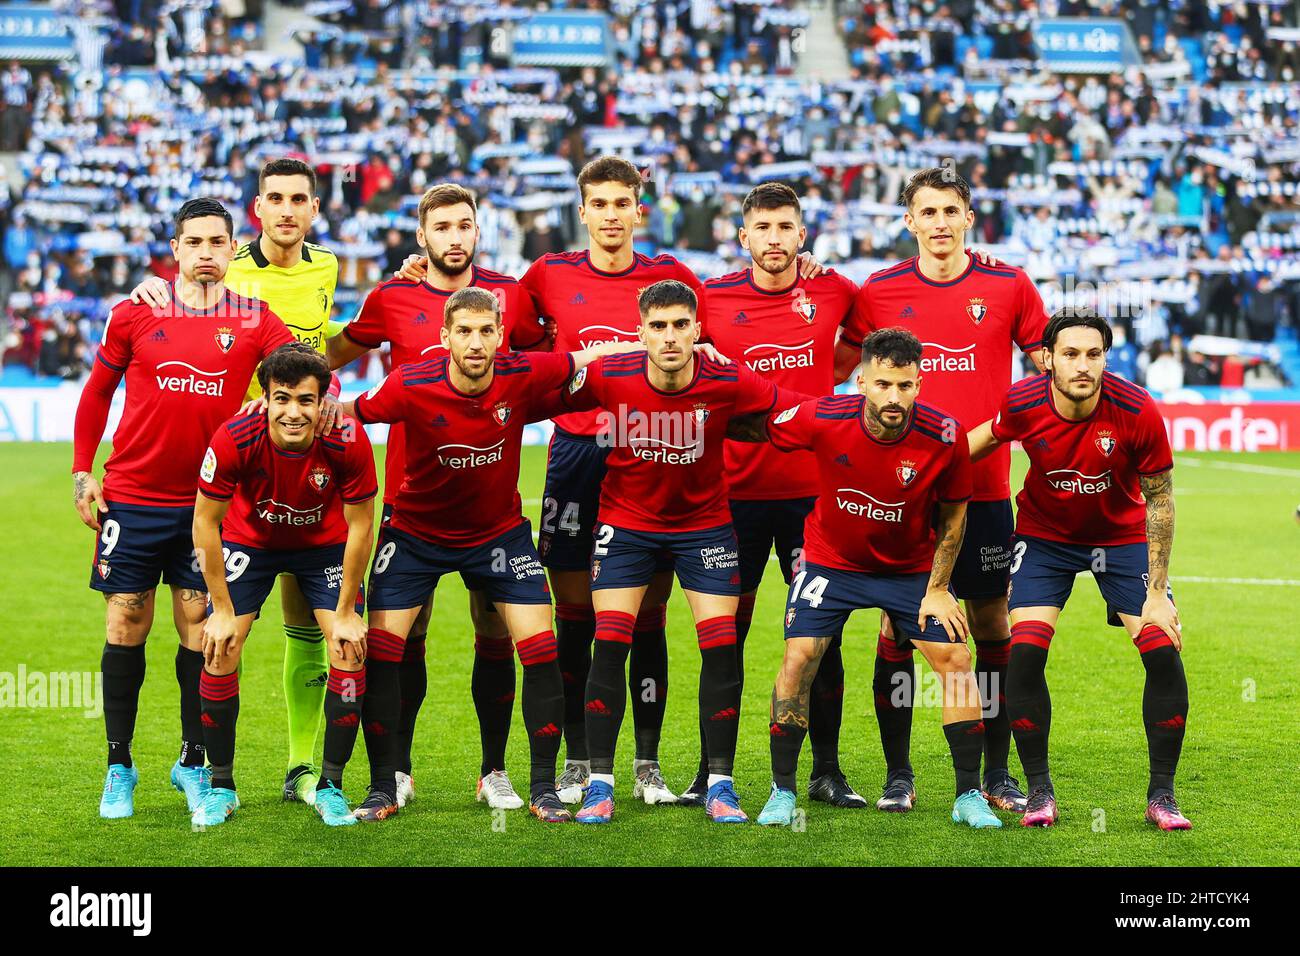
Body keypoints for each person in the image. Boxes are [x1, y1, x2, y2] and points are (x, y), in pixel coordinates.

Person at [341, 287, 637, 823]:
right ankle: (385, 783)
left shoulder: (522, 372)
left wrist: (679, 350)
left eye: (485, 331)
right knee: (383, 653)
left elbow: (590, 359)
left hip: (496, 535)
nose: (475, 343)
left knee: (540, 648)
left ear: (500, 336)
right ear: (444, 337)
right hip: (414, 533)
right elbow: (351, 412)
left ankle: (539, 786)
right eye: (465, 332)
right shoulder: (410, 383)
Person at [129, 158, 344, 808]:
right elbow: (185, 302)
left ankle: (302, 767)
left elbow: (320, 345)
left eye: (298, 199)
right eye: (274, 198)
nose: (286, 209)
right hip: (237, 469)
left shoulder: (327, 268)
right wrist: (153, 288)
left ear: (313, 209)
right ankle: (211, 772)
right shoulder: (226, 267)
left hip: (304, 463)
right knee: (222, 624)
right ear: (256, 209)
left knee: (309, 622)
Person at [326, 182, 548, 811]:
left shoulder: (511, 296)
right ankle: (394, 769)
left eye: (465, 225)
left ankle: (495, 770)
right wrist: (298, 369)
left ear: (478, 230)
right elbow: (342, 349)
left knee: (492, 626)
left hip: (491, 509)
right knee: (406, 632)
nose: (455, 237)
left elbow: (546, 360)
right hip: (410, 503)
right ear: (421, 237)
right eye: (442, 227)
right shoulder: (393, 294)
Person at [73, 198, 296, 819]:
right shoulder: (135, 313)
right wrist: (81, 473)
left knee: (201, 633)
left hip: (209, 507)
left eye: (217, 242)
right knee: (125, 626)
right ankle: (119, 767)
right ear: (174, 250)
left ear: (233, 249)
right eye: (193, 242)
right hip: (133, 500)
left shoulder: (254, 319)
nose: (205, 253)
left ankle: (192, 761)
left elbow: (311, 376)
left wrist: (272, 402)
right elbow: (97, 393)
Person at [846, 167, 1048, 814]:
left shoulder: (1008, 284)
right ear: (909, 220)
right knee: (897, 624)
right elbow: (838, 365)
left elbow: (1050, 364)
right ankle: (898, 774)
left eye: (949, 211)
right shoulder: (877, 291)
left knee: (991, 623)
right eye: (926, 212)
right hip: (902, 494)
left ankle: (997, 771)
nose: (938, 223)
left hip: (985, 488)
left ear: (969, 217)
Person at [747, 328, 1003, 830]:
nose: (894, 397)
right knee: (799, 657)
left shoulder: (945, 436)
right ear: (862, 381)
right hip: (830, 563)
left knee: (956, 657)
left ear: (919, 384)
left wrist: (937, 589)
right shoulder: (823, 416)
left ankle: (968, 794)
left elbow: (954, 518)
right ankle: (782, 791)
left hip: (909, 571)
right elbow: (756, 425)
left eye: (905, 386)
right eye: (884, 384)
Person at [560, 279, 793, 825]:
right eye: (658, 327)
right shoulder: (609, 374)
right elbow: (537, 388)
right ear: (639, 333)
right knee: (611, 644)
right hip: (627, 526)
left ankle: (720, 784)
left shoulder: (727, 378)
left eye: (680, 326)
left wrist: (858, 415)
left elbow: (791, 410)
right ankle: (599, 784)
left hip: (705, 528)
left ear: (697, 330)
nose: (669, 337)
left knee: (720, 649)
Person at [968, 308, 1191, 831]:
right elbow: (981, 441)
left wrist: (1157, 592)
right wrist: (918, 465)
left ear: (1106, 358)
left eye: (1093, 354)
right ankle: (1040, 791)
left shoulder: (1136, 409)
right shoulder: (1023, 401)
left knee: (1162, 651)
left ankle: (1163, 795)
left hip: (1122, 538)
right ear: (1047, 358)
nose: (1082, 365)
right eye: (1069, 354)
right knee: (1023, 652)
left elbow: (1160, 500)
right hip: (1046, 540)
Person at [695, 181, 868, 808]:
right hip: (731, 496)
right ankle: (713, 772)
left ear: (803, 235)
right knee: (725, 634)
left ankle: (826, 769)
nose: (773, 239)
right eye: (761, 228)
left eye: (785, 227)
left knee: (822, 635)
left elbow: (867, 341)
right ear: (743, 237)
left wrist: (834, 374)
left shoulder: (834, 290)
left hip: (814, 499)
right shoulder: (708, 298)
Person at [191, 344, 376, 828]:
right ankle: (221, 787)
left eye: (306, 401)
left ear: (323, 403)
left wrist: (347, 613)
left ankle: (329, 785)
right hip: (251, 542)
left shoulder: (347, 438)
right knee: (220, 645)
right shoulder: (235, 436)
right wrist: (222, 609)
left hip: (323, 544)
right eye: (282, 399)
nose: (293, 412)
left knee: (348, 648)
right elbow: (205, 524)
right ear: (266, 399)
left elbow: (361, 527)